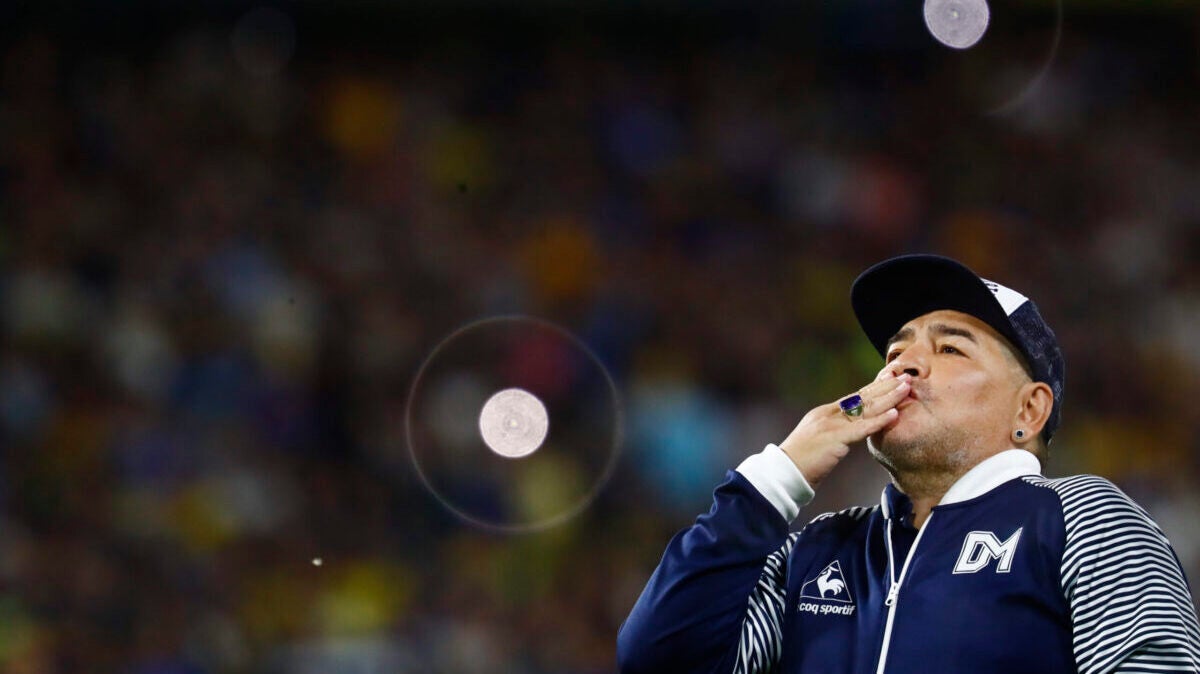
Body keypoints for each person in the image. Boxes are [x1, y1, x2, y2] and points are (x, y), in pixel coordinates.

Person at [617, 254, 1200, 674]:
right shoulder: (818, 547)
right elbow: (658, 659)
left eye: (949, 348)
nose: (903, 367)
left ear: (1029, 408)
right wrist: (777, 477)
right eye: (896, 352)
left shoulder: (1080, 517)